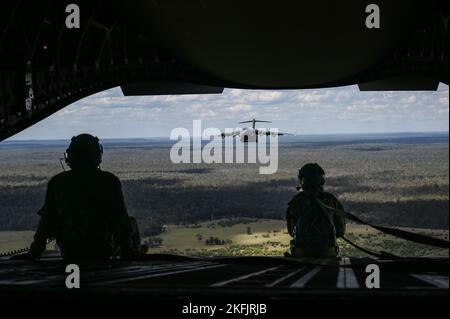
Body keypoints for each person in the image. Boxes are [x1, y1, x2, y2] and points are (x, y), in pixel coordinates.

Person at [12, 134, 144, 261]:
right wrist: (126, 247)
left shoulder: (57, 182)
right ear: (97, 156)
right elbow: (121, 220)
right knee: (131, 221)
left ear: (70, 156)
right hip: (102, 251)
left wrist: (35, 251)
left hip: (69, 252)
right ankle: (130, 252)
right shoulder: (109, 181)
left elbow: (47, 221)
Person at [285, 163, 345, 258]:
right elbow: (340, 232)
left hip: (301, 252)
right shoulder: (331, 200)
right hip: (327, 252)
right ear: (321, 180)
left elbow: (291, 231)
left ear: (302, 180)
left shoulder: (296, 201)